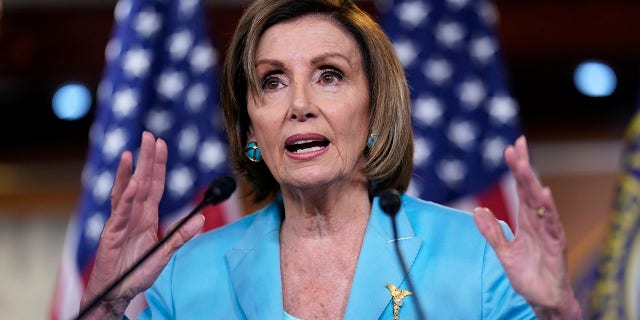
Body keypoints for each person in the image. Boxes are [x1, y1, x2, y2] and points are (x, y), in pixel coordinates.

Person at [80, 0, 583, 319]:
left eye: (329, 75)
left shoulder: (475, 254)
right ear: (251, 128)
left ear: (375, 111)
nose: (300, 104)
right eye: (272, 81)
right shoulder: (188, 273)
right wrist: (107, 301)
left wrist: (558, 311)